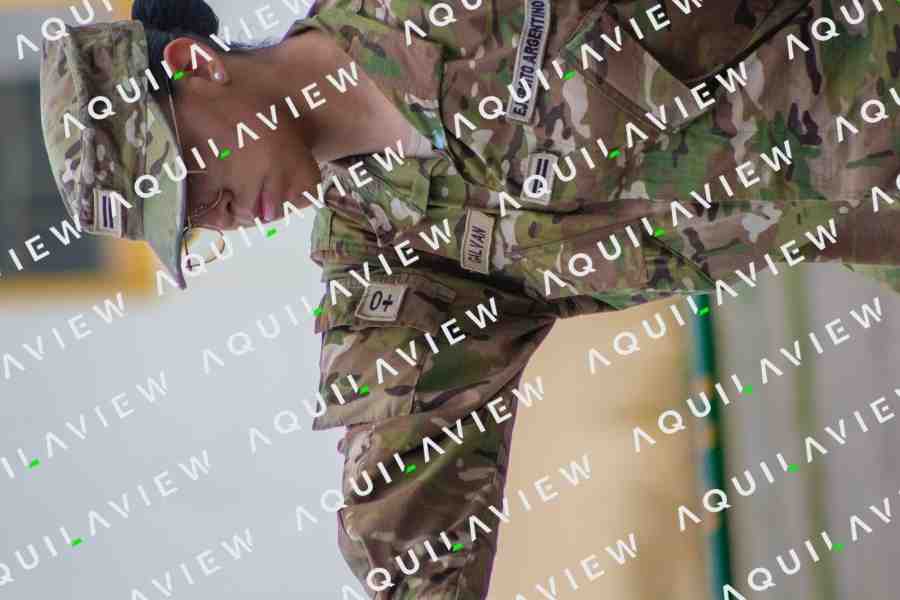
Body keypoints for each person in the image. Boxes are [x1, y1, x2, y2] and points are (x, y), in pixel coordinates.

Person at [38, 0, 900, 596]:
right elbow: (402, 497)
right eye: (190, 226)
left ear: (195, 65)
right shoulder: (391, 254)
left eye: (191, 184)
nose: (217, 216)